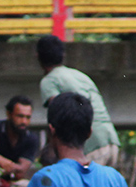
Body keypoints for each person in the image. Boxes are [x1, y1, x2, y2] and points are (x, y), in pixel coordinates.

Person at [36, 35, 120, 168]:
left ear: (38, 57)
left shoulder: (49, 81)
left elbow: (56, 117)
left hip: (91, 146)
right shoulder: (80, 76)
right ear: (63, 55)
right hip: (111, 140)